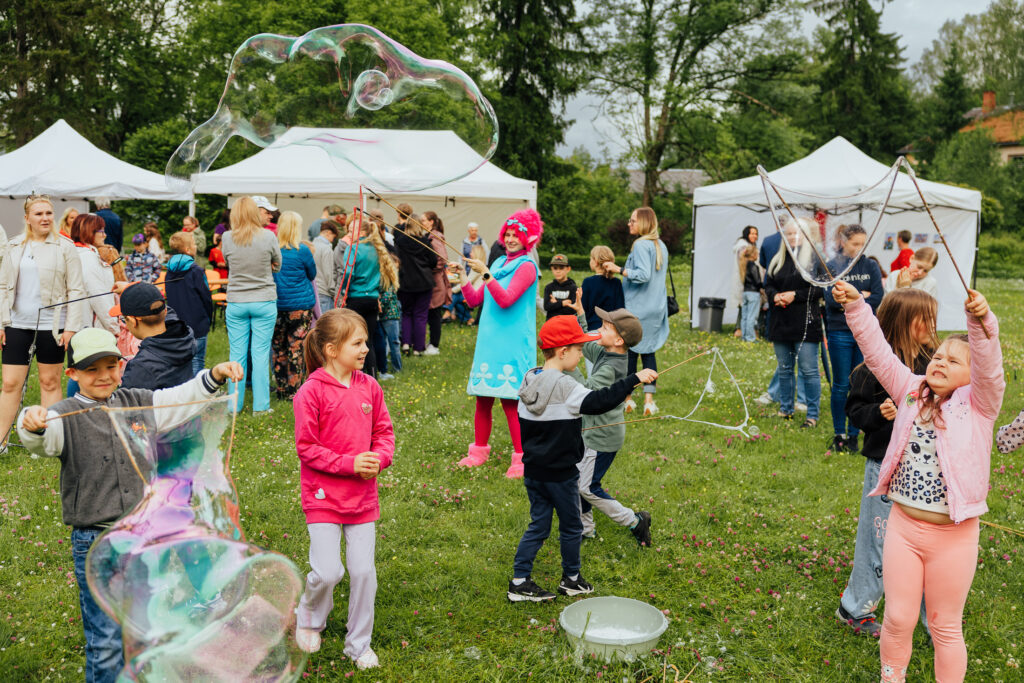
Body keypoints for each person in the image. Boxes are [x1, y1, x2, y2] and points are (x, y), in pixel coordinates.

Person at [16, 327, 241, 683]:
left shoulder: (137, 402)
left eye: (111, 365)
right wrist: (32, 421)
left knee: (144, 625)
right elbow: (39, 438)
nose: (104, 376)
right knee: (104, 638)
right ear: (71, 374)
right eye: (92, 370)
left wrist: (212, 376)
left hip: (142, 536)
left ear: (122, 365)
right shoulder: (63, 415)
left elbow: (179, 399)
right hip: (95, 541)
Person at [832, 279, 1003, 683]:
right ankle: (891, 678)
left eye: (953, 362)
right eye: (938, 356)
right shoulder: (911, 390)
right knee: (897, 618)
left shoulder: (980, 406)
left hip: (953, 538)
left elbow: (990, 369)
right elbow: (877, 352)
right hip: (903, 530)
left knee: (944, 627)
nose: (940, 363)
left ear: (971, 377)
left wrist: (981, 324)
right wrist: (856, 306)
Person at [508, 314, 657, 602]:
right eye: (578, 350)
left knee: (538, 526)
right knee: (572, 526)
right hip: (562, 475)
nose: (581, 354)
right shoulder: (566, 387)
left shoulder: (530, 377)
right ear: (563, 352)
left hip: (534, 473)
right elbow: (599, 401)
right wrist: (633, 379)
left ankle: (519, 581)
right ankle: (572, 579)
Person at [292, 309, 394, 669]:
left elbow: (384, 433)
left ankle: (358, 644)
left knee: (364, 572)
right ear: (332, 350)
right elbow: (306, 448)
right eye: (358, 343)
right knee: (329, 572)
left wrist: (379, 458)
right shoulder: (310, 393)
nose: (365, 349)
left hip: (362, 498)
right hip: (322, 497)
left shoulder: (370, 386)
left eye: (366, 342)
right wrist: (348, 463)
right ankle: (308, 617)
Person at [838, 288, 937, 638]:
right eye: (926, 318)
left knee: (926, 543)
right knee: (878, 539)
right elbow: (853, 411)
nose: (932, 325)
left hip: (924, 472)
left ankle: (932, 616)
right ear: (905, 323)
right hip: (884, 466)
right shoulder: (872, 369)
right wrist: (878, 414)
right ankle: (855, 607)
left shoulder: (934, 364)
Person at [457, 209, 544, 477]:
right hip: (489, 341)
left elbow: (506, 299)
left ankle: (521, 457)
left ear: (527, 237)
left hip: (513, 343)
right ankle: (478, 451)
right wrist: (461, 277)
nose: (510, 239)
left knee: (510, 403)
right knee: (482, 399)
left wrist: (485, 273)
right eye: (507, 234)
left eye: (515, 235)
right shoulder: (496, 265)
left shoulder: (528, 267)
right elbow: (474, 300)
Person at [0, 196, 85, 452]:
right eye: (38, 214)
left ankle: (48, 442)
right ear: (27, 218)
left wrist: (71, 326)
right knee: (10, 384)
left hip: (53, 326)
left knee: (50, 382)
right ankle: (1, 439)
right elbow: (3, 286)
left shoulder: (65, 247)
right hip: (16, 324)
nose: (45, 218)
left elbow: (77, 290)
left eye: (49, 212)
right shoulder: (14, 246)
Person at [566, 301, 652, 545]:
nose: (599, 330)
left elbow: (588, 393)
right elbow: (586, 342)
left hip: (602, 438)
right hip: (591, 432)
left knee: (588, 487)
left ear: (618, 341)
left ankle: (635, 521)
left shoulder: (613, 368)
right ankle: (586, 529)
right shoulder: (607, 351)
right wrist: (581, 315)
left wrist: (568, 367)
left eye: (605, 327)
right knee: (578, 479)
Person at [600, 207, 669, 417]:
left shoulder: (640, 245)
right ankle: (649, 400)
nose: (629, 224)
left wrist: (617, 269)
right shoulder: (660, 245)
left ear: (644, 223)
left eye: (633, 221)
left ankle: (627, 398)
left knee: (628, 352)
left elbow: (643, 275)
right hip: (656, 307)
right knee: (648, 352)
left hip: (638, 307)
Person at [824, 224, 884, 452]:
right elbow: (831, 300)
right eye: (855, 244)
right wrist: (862, 295)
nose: (859, 248)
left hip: (865, 332)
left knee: (861, 383)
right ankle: (839, 433)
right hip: (840, 331)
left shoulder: (871, 265)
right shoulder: (832, 266)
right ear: (843, 242)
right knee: (841, 384)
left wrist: (850, 298)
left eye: (863, 244)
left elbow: (878, 296)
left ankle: (854, 433)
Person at [221, 196, 282, 414]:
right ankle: (261, 406)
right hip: (264, 300)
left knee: (236, 355)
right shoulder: (268, 236)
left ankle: (233, 406)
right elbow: (278, 263)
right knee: (260, 354)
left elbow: (227, 263)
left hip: (237, 300)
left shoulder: (227, 238)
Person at [764, 217, 823, 427]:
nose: (792, 237)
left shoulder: (815, 259)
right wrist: (775, 296)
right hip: (781, 322)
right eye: (789, 234)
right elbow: (768, 283)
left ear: (805, 235)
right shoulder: (778, 258)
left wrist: (794, 295)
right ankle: (786, 409)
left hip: (806, 323)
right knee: (785, 368)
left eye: (796, 233)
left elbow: (820, 288)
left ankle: (812, 415)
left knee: (808, 370)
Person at [335, 214, 395, 377]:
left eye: (351, 230)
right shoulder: (376, 249)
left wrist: (343, 292)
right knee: (368, 340)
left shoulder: (352, 249)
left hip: (356, 298)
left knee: (354, 340)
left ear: (360, 232)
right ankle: (373, 376)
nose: (348, 234)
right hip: (372, 299)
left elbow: (348, 272)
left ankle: (356, 377)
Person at [116, 283, 196, 391]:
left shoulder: (140, 368)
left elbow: (127, 404)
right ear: (165, 311)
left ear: (132, 321)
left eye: (124, 319)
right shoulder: (183, 336)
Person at [271, 211, 316, 399]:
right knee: (297, 347)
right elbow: (312, 274)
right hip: (300, 305)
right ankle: (296, 389)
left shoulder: (272, 250)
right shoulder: (303, 250)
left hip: (277, 304)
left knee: (278, 347)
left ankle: (281, 387)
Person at [166, 231, 214, 375]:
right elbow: (206, 297)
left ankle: (183, 392)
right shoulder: (196, 271)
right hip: (197, 324)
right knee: (197, 360)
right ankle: (196, 394)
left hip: (177, 324)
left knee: (181, 361)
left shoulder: (169, 272)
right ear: (188, 250)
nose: (195, 246)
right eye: (193, 243)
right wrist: (208, 318)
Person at [393, 211, 435, 356]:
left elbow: (396, 260)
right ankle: (418, 348)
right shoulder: (425, 243)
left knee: (406, 314)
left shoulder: (399, 241)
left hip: (405, 283)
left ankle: (405, 344)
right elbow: (433, 262)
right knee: (420, 315)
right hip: (424, 283)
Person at [70, 214, 118, 335]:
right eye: (101, 231)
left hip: (84, 326)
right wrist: (114, 328)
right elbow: (98, 295)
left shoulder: (79, 253)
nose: (104, 235)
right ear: (89, 231)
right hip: (92, 329)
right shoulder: (87, 257)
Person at [422, 211, 452, 356]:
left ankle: (434, 345)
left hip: (436, 281)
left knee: (434, 314)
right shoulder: (430, 237)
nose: (421, 223)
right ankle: (432, 343)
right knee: (432, 313)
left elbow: (442, 258)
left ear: (431, 222)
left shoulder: (435, 239)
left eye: (424, 220)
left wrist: (429, 268)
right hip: (434, 280)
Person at [580, 245, 625, 332]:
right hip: (611, 331)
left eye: (591, 259)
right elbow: (620, 309)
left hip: (591, 330)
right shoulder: (616, 282)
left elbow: (582, 308)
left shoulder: (588, 282)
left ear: (596, 262)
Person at [731, 226, 759, 337]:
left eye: (756, 233)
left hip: (747, 286)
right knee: (749, 312)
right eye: (752, 233)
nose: (754, 236)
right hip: (748, 285)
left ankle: (744, 332)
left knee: (745, 311)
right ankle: (746, 332)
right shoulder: (743, 247)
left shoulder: (748, 246)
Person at [312, 219, 340, 313]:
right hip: (324, 293)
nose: (333, 240)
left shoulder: (311, 246)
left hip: (313, 291)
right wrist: (334, 293)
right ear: (328, 233)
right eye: (333, 237)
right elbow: (329, 273)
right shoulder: (326, 249)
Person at [739, 244, 763, 343]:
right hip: (753, 293)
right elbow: (757, 281)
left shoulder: (743, 265)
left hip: (745, 292)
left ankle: (744, 336)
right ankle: (750, 338)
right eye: (757, 253)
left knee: (744, 316)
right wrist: (762, 286)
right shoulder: (753, 266)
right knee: (752, 316)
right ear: (753, 254)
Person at [543, 254, 577, 320]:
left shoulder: (573, 288)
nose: (558, 271)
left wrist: (555, 303)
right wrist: (562, 303)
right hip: (552, 322)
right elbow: (546, 307)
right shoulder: (549, 287)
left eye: (561, 268)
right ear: (551, 269)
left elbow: (573, 310)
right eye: (555, 268)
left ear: (568, 269)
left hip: (568, 323)